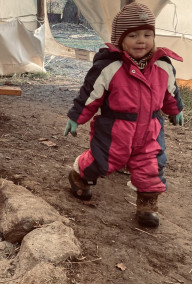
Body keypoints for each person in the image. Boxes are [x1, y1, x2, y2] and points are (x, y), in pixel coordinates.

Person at [63, 2, 184, 228]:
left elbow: (171, 91)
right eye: (133, 35)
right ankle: (80, 174)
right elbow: (90, 94)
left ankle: (147, 205)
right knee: (102, 160)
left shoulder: (163, 66)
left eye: (148, 34)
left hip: (150, 129)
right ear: (120, 40)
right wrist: (76, 117)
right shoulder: (110, 66)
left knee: (151, 166)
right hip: (115, 128)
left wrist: (175, 110)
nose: (141, 40)